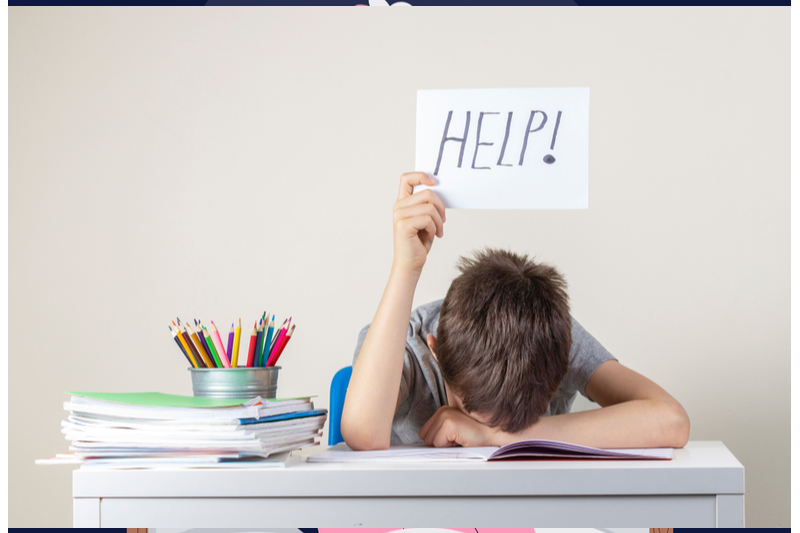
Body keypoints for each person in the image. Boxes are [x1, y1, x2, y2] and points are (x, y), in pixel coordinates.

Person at [341, 172, 690, 451]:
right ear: (435, 350)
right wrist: (407, 266)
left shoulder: (548, 335)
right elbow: (363, 433)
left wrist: (497, 438)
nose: (493, 428)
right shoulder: (400, 344)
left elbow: (670, 420)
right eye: (477, 414)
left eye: (517, 421)